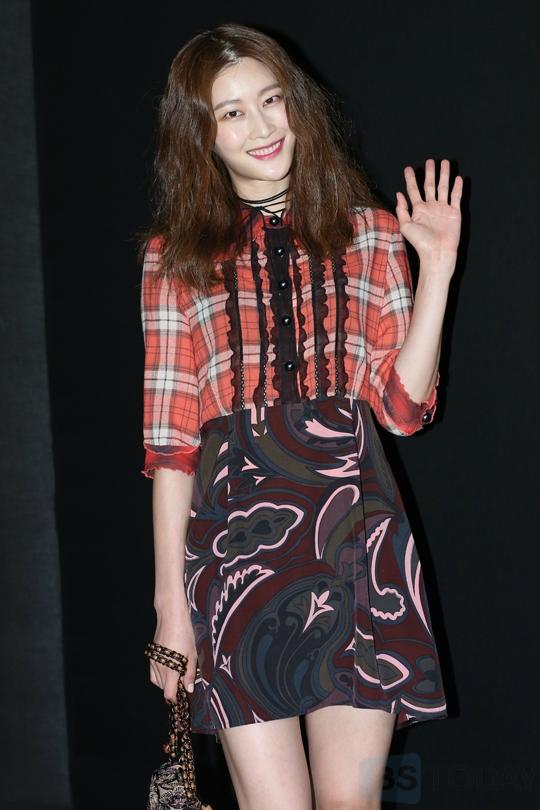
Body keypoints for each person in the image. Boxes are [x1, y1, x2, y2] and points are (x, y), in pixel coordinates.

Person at [138, 22, 462, 810]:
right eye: (232, 113)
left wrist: (437, 268)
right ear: (202, 136)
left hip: (356, 543)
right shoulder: (174, 260)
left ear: (298, 104)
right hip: (235, 559)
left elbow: (403, 410)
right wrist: (170, 612)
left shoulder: (370, 233)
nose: (261, 126)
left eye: (271, 100)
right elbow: (172, 446)